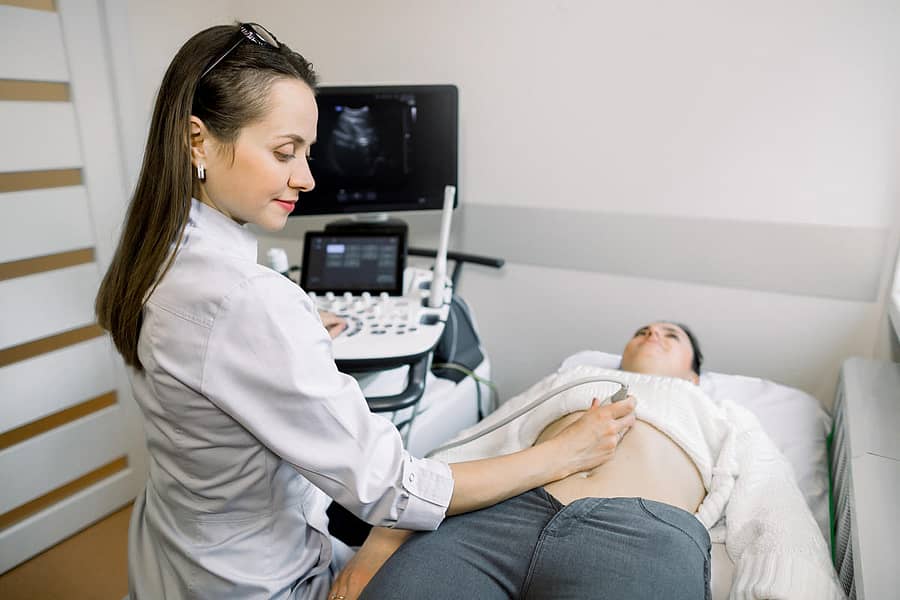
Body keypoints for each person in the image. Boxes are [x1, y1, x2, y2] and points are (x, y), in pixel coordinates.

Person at [94, 23, 637, 600]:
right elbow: (393, 489)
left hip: (177, 557)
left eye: (307, 152)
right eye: (284, 152)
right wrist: (563, 453)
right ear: (197, 141)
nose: (306, 178)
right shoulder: (246, 300)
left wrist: (295, 335)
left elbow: (217, 360)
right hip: (258, 582)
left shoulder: (158, 257)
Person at [335, 323, 845, 600]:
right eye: (643, 330)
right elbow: (474, 448)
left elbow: (775, 507)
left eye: (671, 337)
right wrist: (377, 546)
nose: (653, 335)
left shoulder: (719, 411)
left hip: (639, 535)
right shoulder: (569, 383)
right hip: (494, 521)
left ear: (694, 374)